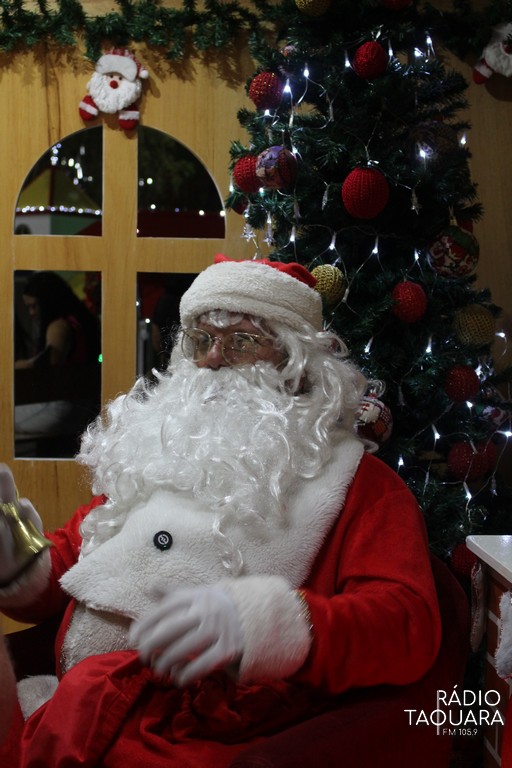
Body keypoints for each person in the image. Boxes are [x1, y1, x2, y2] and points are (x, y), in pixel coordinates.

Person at [0, 256, 441, 767]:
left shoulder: (361, 484)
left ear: (296, 363)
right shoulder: (155, 450)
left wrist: (268, 624)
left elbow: (406, 624)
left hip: (214, 738)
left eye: (242, 342)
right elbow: (77, 558)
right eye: (201, 340)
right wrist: (23, 567)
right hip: (77, 713)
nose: (212, 359)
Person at [14, 270, 101, 443]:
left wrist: (14, 365)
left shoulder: (59, 326)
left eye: (34, 306)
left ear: (48, 302)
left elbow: (48, 361)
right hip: (82, 406)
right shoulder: (79, 320)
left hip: (62, 407)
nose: (31, 313)